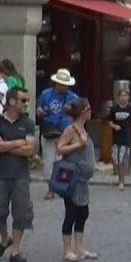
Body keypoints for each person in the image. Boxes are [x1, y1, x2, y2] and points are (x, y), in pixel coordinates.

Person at [0, 87, 37, 262]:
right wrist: (17, 142)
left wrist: (4, 145)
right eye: (23, 100)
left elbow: (29, 150)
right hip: (0, 174)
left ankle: (15, 250)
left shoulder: (28, 123)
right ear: (12, 102)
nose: (26, 104)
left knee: (22, 213)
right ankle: (4, 238)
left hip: (20, 175)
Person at [56, 98, 98, 262]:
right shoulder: (70, 129)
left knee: (83, 213)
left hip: (83, 180)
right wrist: (78, 145)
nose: (90, 112)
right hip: (72, 178)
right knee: (71, 213)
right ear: (82, 113)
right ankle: (67, 250)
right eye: (88, 109)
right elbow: (60, 148)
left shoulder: (83, 128)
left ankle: (80, 248)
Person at [37, 68, 79, 200]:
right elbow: (38, 110)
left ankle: (64, 187)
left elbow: (79, 116)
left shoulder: (73, 98)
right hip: (49, 131)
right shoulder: (45, 94)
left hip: (65, 133)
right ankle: (51, 188)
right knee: (49, 162)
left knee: (64, 162)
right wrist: (40, 112)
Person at [106, 87, 131, 190]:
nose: (123, 98)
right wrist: (114, 126)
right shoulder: (114, 109)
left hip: (126, 138)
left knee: (122, 160)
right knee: (116, 159)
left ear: (128, 97)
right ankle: (119, 179)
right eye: (121, 95)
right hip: (116, 138)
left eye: (125, 95)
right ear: (118, 97)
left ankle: (121, 181)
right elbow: (109, 121)